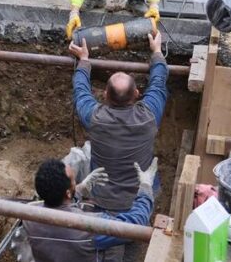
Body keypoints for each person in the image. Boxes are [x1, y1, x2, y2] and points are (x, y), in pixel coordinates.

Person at [68, 31, 167, 212]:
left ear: (105, 95)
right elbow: (158, 83)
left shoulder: (94, 117)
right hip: (141, 196)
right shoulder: (149, 114)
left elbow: (81, 91)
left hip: (102, 198)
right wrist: (157, 52)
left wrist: (83, 61)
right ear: (137, 94)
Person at [23, 157, 157, 262]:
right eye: (74, 181)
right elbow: (135, 223)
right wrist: (145, 186)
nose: (76, 182)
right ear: (68, 193)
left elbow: (56, 204)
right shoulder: (89, 227)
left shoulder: (29, 215)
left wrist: (80, 189)